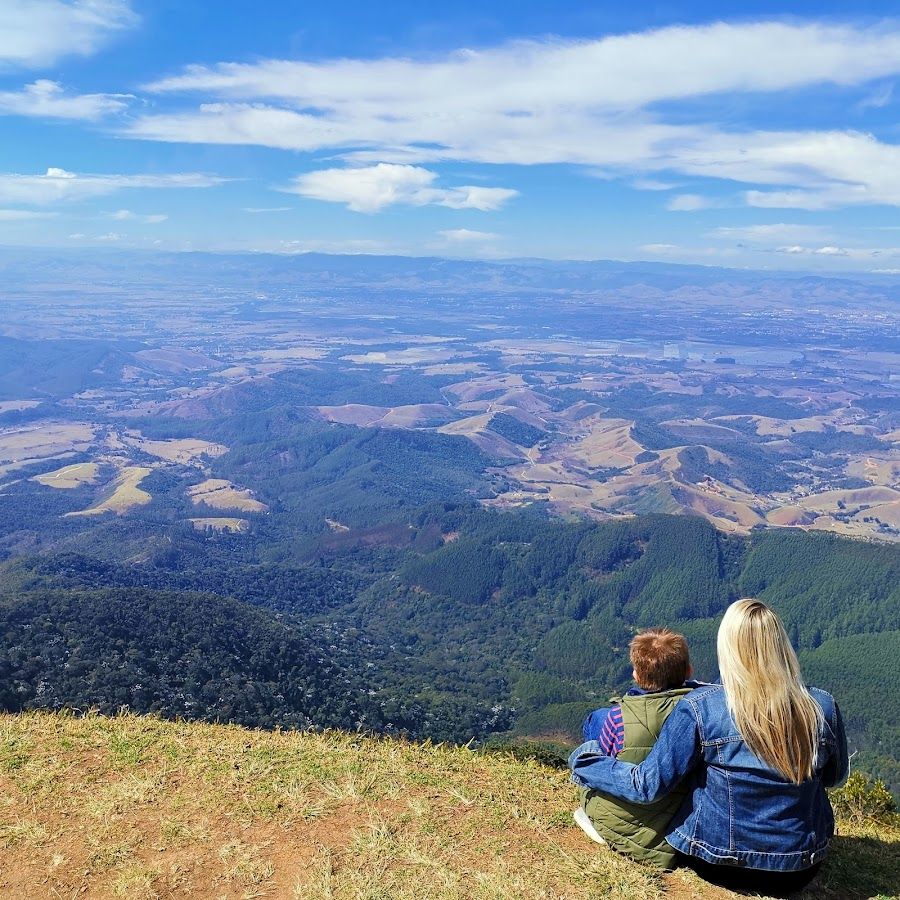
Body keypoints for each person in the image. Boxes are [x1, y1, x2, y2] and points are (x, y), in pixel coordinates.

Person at [569, 599, 849, 897]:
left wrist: (584, 761)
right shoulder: (822, 707)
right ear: (781, 646)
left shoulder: (701, 708)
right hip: (799, 868)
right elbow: (834, 778)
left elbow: (647, 785)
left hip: (717, 860)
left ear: (727, 647)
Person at [574, 627, 703, 868]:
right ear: (688, 671)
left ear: (636, 675)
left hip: (622, 819)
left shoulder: (617, 718)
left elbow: (611, 761)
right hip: (677, 821)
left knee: (596, 721)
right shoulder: (700, 711)